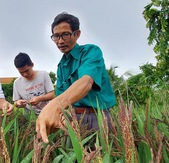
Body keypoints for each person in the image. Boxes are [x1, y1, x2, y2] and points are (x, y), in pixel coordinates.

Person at [36, 12, 116, 144]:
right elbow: (61, 96)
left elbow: (86, 82)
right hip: (73, 119)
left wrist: (53, 106)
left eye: (65, 34)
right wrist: (61, 115)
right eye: (56, 36)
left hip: (98, 117)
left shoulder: (91, 52)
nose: (60, 41)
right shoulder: (61, 65)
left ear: (77, 34)